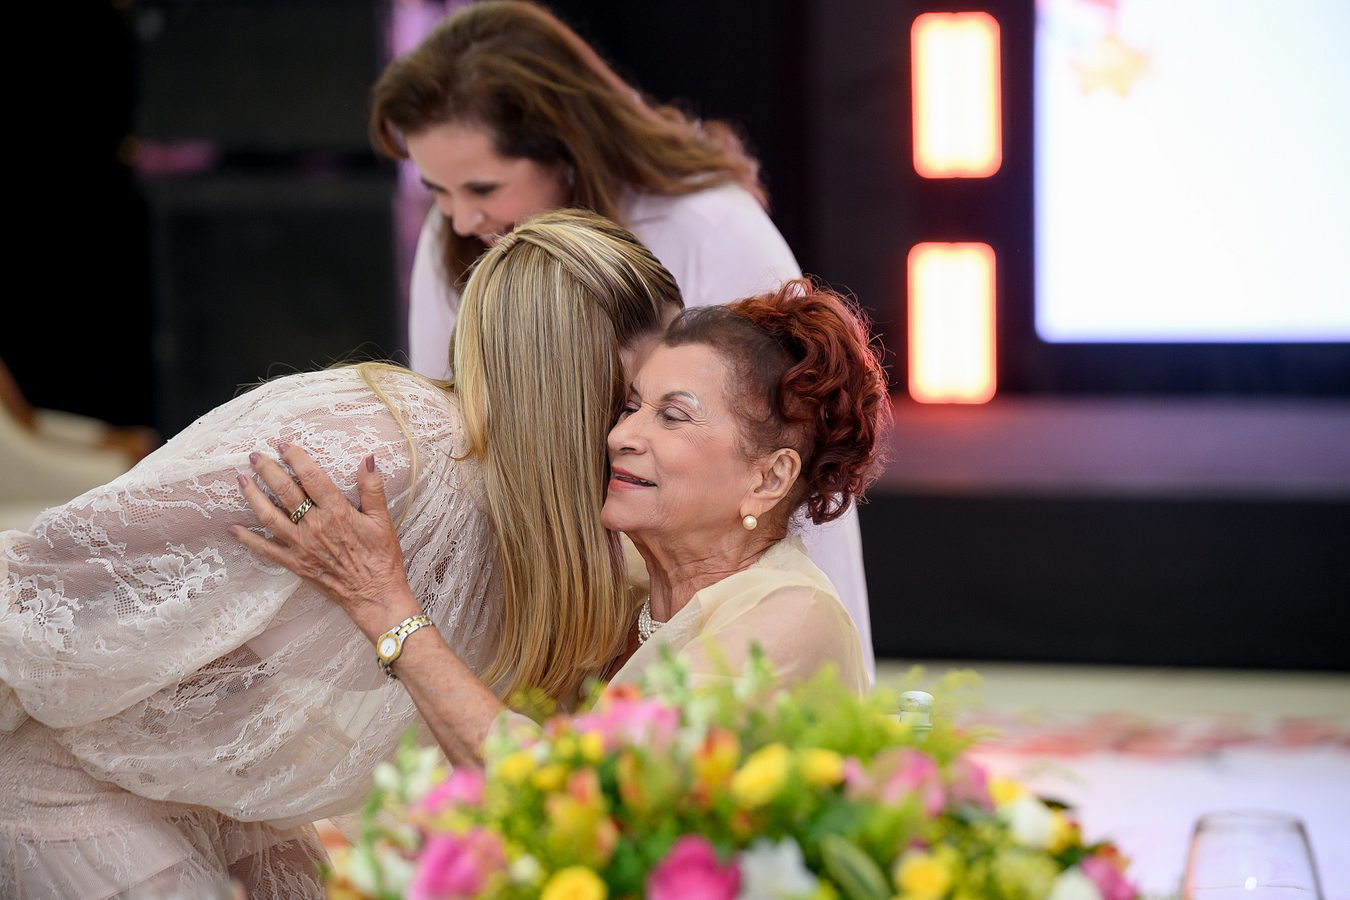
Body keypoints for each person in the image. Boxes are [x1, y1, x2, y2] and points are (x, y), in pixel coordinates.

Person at [0, 210, 680, 899]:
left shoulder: (573, 533)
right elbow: (63, 559)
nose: (651, 429)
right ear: (570, 382)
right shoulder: (375, 453)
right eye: (640, 400)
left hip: (213, 794)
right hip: (73, 777)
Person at [375, 0, 876, 675]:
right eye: (437, 190)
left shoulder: (708, 227)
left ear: (566, 148)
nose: (462, 218)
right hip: (547, 586)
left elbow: (787, 472)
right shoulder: (459, 238)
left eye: (484, 186)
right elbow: (455, 426)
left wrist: (815, 652)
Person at [235, 277, 889, 767]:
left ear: (768, 479)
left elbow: (572, 796)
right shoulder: (625, 581)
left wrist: (385, 605)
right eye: (631, 406)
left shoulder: (791, 619)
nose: (621, 436)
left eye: (673, 416)